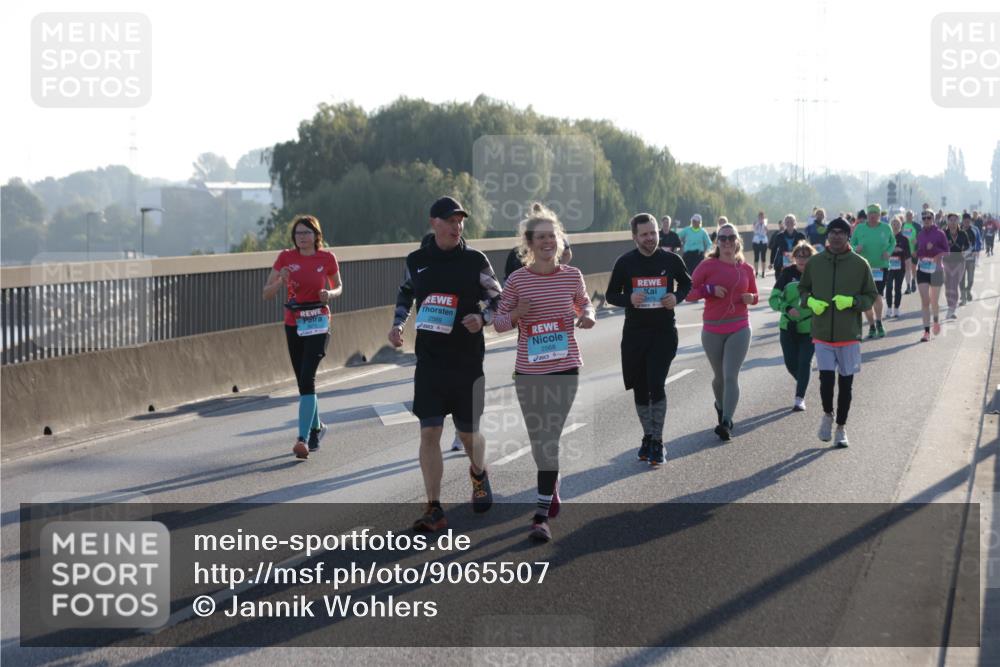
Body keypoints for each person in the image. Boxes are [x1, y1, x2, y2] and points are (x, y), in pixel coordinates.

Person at [388, 196, 503, 532]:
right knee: (430, 431)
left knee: (468, 435)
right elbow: (406, 293)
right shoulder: (417, 260)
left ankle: (479, 472)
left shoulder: (475, 260)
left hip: (467, 360)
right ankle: (434, 507)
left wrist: (482, 318)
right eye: (450, 221)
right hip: (430, 360)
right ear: (434, 223)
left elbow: (499, 299)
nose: (457, 226)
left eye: (460, 221)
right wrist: (397, 324)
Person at [494, 203, 595, 542]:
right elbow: (497, 323)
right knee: (540, 441)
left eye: (552, 236)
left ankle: (539, 517)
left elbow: (584, 302)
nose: (548, 242)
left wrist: (588, 315)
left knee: (549, 436)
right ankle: (550, 483)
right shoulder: (517, 281)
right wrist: (518, 313)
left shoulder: (572, 276)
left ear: (559, 240)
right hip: (528, 371)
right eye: (541, 237)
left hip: (566, 368)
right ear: (529, 243)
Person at [606, 213, 692, 466]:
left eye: (653, 232)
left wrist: (676, 297)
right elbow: (611, 295)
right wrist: (628, 299)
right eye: (644, 234)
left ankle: (658, 441)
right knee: (641, 388)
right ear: (634, 237)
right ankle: (647, 436)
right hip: (635, 334)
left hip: (664, 333)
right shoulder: (625, 263)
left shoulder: (671, 260)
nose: (650, 238)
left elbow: (687, 284)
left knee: (657, 384)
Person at [262, 215, 343, 459]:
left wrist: (329, 293)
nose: (302, 238)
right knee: (303, 382)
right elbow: (266, 293)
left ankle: (303, 438)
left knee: (308, 377)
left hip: (319, 322)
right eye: (298, 234)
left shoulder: (326, 258)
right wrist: (280, 281)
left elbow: (339, 286)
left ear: (316, 235)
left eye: (307, 233)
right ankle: (317, 427)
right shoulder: (286, 258)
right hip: (294, 323)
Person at [798, 217, 878, 448]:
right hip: (822, 332)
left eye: (841, 232)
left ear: (847, 236)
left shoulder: (859, 264)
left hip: (848, 334)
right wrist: (810, 302)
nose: (835, 236)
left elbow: (870, 296)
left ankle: (841, 428)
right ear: (827, 236)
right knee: (825, 381)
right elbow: (803, 289)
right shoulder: (815, 262)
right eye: (832, 232)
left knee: (846, 384)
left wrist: (853, 302)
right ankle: (827, 415)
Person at [685, 223, 758, 441]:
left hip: (740, 327)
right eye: (722, 238)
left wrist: (751, 298)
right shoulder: (707, 266)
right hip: (712, 329)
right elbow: (687, 292)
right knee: (719, 378)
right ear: (717, 242)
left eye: (731, 238)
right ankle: (720, 404)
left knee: (730, 375)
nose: (727, 242)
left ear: (737, 241)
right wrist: (709, 290)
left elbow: (754, 295)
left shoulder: (746, 269)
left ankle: (726, 421)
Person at [768, 241, 816, 411]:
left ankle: (799, 397)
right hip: (788, 327)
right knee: (791, 364)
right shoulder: (787, 274)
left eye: (806, 256)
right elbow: (773, 299)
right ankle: (803, 381)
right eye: (798, 256)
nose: (802, 260)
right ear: (793, 257)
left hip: (810, 328)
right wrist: (787, 308)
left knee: (804, 362)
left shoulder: (817, 274)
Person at [851, 204, 895, 339]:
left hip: (881, 267)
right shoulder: (860, 228)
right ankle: (871, 325)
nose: (873, 215)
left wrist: (888, 252)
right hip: (863, 267)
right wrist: (855, 248)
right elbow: (851, 244)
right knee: (866, 298)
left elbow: (892, 242)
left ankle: (879, 322)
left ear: (879, 215)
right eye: (871, 213)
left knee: (877, 295)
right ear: (867, 215)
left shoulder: (886, 228)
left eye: (876, 213)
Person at [915, 209, 949, 341]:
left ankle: (935, 321)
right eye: (923, 218)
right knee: (925, 301)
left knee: (934, 301)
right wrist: (918, 253)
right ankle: (926, 332)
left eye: (928, 218)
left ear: (933, 219)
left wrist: (934, 251)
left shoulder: (940, 234)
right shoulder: (920, 234)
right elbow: (918, 251)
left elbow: (947, 252)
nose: (926, 220)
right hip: (922, 269)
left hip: (936, 271)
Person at [942, 212, 970, 319]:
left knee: (954, 284)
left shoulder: (963, 233)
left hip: (959, 261)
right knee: (948, 285)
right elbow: (939, 246)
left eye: (955, 220)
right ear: (947, 222)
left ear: (958, 221)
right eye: (951, 220)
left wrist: (965, 252)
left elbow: (968, 246)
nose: (953, 223)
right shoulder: (944, 233)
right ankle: (951, 306)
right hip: (947, 261)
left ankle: (952, 308)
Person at [884, 218, 911, 318]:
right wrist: (893, 249)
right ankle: (889, 308)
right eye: (893, 224)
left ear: (900, 226)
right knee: (889, 287)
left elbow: (907, 254)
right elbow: (883, 251)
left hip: (900, 267)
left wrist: (908, 268)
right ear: (890, 225)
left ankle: (896, 309)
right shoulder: (887, 238)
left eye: (897, 224)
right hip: (889, 266)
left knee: (898, 288)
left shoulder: (904, 239)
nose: (895, 226)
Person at [768, 214, 807, 279]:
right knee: (780, 284)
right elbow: (774, 249)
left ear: (795, 223)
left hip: (797, 263)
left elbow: (806, 250)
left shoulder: (801, 236)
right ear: (784, 223)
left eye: (791, 221)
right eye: (787, 222)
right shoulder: (779, 236)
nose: (789, 223)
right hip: (781, 264)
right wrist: (771, 262)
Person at [960, 213, 982, 305]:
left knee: (971, 279)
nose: (966, 223)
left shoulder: (975, 229)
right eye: (965, 221)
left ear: (970, 221)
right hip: (960, 258)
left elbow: (979, 242)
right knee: (961, 279)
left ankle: (967, 290)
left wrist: (977, 250)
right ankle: (963, 298)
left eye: (968, 221)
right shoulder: (958, 229)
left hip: (971, 257)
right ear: (962, 221)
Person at [901, 210, 921, 293]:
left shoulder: (917, 226)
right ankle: (908, 286)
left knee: (913, 267)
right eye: (907, 215)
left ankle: (913, 280)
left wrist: (917, 240)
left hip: (914, 250)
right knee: (906, 268)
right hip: (905, 250)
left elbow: (921, 236)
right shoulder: (902, 225)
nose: (909, 217)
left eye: (910, 215)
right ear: (906, 216)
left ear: (913, 216)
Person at [751, 211, 769, 277]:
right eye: (760, 216)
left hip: (763, 241)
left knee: (763, 257)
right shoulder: (755, 222)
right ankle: (756, 272)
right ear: (758, 217)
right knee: (756, 257)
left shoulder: (765, 223)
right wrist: (758, 223)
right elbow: (754, 229)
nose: (761, 217)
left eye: (762, 216)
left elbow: (767, 230)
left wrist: (764, 225)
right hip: (756, 241)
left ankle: (763, 272)